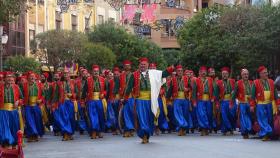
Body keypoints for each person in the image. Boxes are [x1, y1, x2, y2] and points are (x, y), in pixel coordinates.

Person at [124, 57, 174, 143]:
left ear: (147, 65)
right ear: (139, 65)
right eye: (141, 64)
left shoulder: (153, 73)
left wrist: (172, 67)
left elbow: (164, 74)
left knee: (150, 118)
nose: (142, 65)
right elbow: (128, 88)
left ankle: (147, 134)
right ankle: (143, 135)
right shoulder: (134, 75)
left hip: (151, 101)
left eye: (144, 64)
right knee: (142, 118)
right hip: (140, 101)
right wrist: (125, 98)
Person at [250, 66, 280, 141]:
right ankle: (265, 134)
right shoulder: (255, 82)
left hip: (269, 104)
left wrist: (278, 104)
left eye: (266, 72)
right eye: (264, 73)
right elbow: (252, 96)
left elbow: (275, 95)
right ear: (260, 74)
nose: (266, 74)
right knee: (262, 120)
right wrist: (252, 105)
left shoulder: (271, 82)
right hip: (260, 104)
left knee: (270, 120)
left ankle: (270, 134)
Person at [167, 65, 193, 136]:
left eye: (181, 71)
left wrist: (187, 89)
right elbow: (170, 90)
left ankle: (183, 129)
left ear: (183, 72)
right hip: (177, 99)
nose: (180, 72)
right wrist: (168, 99)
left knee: (185, 114)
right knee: (178, 114)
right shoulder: (173, 79)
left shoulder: (187, 79)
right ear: (176, 72)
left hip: (185, 99)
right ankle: (182, 126)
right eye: (178, 71)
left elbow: (191, 88)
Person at [82, 65, 107, 139]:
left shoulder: (102, 79)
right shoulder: (88, 80)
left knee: (100, 117)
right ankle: (94, 132)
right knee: (93, 117)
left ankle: (99, 132)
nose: (96, 72)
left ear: (98, 72)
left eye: (97, 71)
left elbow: (106, 90)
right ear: (92, 72)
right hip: (91, 101)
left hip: (100, 100)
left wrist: (103, 94)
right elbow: (84, 92)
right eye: (94, 71)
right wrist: (82, 102)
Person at [0, 72, 22, 148]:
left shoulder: (16, 87)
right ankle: (6, 142)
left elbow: (22, 98)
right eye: (8, 77)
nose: (10, 78)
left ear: (13, 79)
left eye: (11, 77)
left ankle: (14, 143)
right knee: (5, 127)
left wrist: (18, 101)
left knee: (14, 127)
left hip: (13, 110)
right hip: (3, 111)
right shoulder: (0, 87)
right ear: (4, 79)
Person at [193, 66, 216, 136]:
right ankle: (203, 128)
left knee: (209, 114)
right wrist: (194, 101)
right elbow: (194, 91)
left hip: (208, 99)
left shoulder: (210, 80)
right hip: (200, 100)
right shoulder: (196, 80)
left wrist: (213, 97)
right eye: (202, 72)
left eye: (204, 72)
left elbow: (214, 90)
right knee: (201, 114)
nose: (203, 73)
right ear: (199, 73)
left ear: (206, 73)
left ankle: (207, 128)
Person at [23, 71, 44, 142]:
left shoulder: (39, 85)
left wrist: (41, 100)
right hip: (28, 106)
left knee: (37, 120)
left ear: (35, 77)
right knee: (29, 121)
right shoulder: (25, 85)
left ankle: (36, 135)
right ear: (28, 78)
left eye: (33, 76)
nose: (32, 77)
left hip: (36, 105)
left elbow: (43, 94)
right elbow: (21, 95)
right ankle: (31, 135)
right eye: (30, 76)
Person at [232, 69, 253, 139]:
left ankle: (249, 130)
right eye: (244, 74)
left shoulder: (251, 83)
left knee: (249, 117)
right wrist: (231, 102)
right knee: (243, 118)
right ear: (241, 75)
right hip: (242, 103)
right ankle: (244, 132)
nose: (246, 75)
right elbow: (234, 94)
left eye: (247, 74)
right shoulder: (238, 83)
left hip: (250, 103)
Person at [216, 67, 236, 135]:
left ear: (228, 74)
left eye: (226, 73)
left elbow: (236, 91)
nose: (224, 75)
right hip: (223, 101)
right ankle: (226, 129)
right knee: (224, 116)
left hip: (231, 101)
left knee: (231, 115)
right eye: (223, 74)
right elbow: (216, 94)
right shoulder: (218, 82)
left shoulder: (233, 81)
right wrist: (217, 103)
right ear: (221, 75)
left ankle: (231, 127)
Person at [119, 60, 135, 137]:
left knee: (132, 113)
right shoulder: (120, 75)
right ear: (124, 67)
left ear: (130, 67)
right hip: (124, 98)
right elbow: (117, 87)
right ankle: (127, 129)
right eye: (125, 65)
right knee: (125, 114)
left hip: (132, 97)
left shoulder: (134, 75)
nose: (127, 67)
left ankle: (131, 129)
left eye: (128, 65)